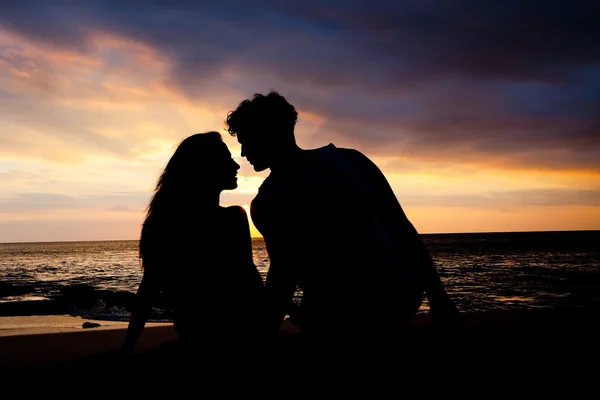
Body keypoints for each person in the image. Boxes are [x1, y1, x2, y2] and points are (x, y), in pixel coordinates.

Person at [224, 91, 460, 337]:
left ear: (270, 133)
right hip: (346, 313)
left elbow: (401, 229)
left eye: (246, 140)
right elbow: (284, 272)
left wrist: (438, 297)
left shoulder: (346, 164)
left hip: (371, 308)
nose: (242, 153)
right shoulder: (345, 163)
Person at [120, 131, 267, 356]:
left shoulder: (165, 222)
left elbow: (148, 289)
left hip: (194, 338)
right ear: (208, 167)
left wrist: (128, 347)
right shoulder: (233, 218)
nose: (236, 166)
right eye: (227, 159)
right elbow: (251, 285)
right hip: (240, 338)